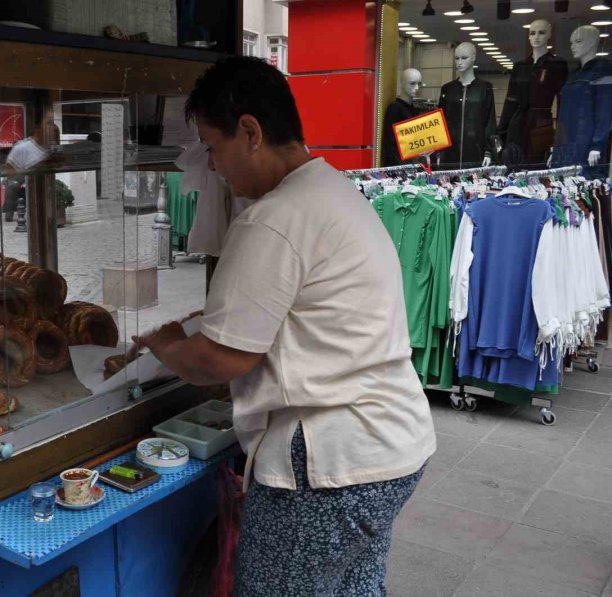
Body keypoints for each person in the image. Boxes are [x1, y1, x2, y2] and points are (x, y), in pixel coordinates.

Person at [131, 57, 436, 596]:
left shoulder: (275, 217)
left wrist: (166, 345)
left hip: (330, 469)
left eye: (211, 147)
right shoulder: (335, 192)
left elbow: (222, 359)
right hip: (393, 446)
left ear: (250, 132)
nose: (214, 167)